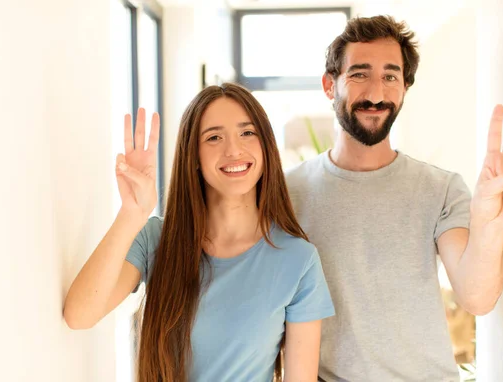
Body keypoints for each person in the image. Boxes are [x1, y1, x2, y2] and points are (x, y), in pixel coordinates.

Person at [285, 15, 503, 381]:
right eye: (360, 74)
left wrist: (490, 224)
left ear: (405, 87)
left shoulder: (440, 188)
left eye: (391, 77)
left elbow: (476, 297)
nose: (377, 94)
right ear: (331, 85)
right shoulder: (286, 193)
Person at [63, 83, 335, 382]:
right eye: (214, 137)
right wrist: (132, 214)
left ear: (266, 147)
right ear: (193, 155)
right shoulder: (156, 238)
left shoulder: (298, 260)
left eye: (247, 133)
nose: (233, 149)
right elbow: (79, 315)